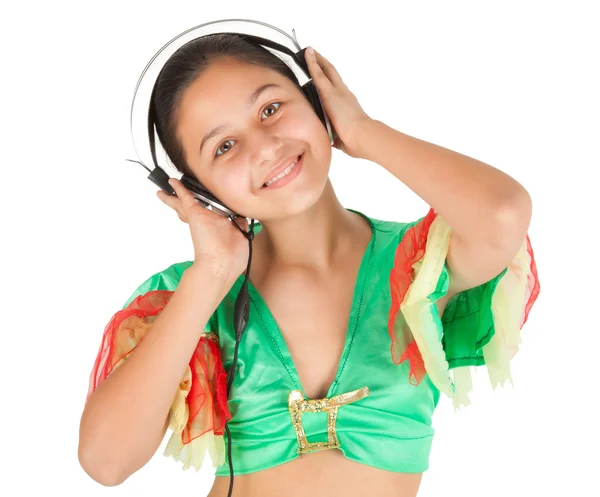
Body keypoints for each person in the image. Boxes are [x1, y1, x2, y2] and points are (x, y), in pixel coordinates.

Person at [77, 33, 540, 497]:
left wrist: (361, 130)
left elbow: (502, 216)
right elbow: (106, 462)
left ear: (317, 102)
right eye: (224, 146)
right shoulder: (189, 295)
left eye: (270, 109)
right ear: (199, 191)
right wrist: (212, 274)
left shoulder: (416, 263)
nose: (264, 146)